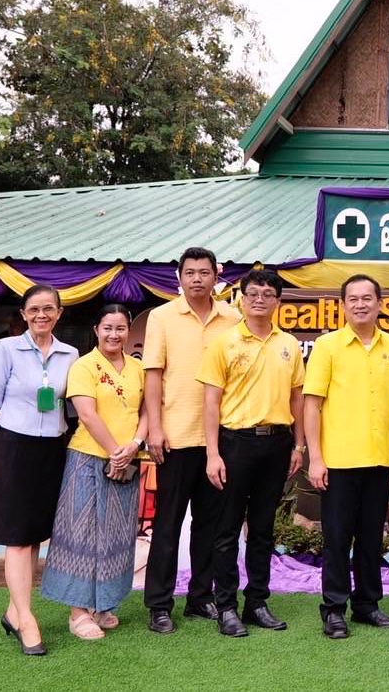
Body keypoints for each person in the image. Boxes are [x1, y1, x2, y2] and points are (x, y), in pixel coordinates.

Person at [140, 247, 243, 635]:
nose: (197, 279)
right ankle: (159, 604)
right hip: (175, 437)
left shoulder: (233, 319)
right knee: (167, 524)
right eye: (190, 272)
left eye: (204, 272)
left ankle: (201, 597)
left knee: (211, 526)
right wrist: (154, 428)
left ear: (217, 275)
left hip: (220, 441)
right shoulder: (162, 318)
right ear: (179, 277)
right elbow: (153, 375)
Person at [198, 270, 306, 637]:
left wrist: (299, 445)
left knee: (262, 529)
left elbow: (297, 399)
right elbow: (210, 403)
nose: (259, 299)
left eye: (268, 293)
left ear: (278, 301)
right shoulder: (223, 343)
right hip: (234, 443)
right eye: (253, 293)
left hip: (277, 443)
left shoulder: (288, 344)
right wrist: (212, 453)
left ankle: (257, 602)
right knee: (226, 529)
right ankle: (226, 606)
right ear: (242, 299)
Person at [304, 273, 389, 640]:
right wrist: (315, 458)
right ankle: (334, 609)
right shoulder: (327, 346)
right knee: (337, 538)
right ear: (343, 305)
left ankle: (367, 605)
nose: (361, 304)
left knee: (370, 537)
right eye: (354, 298)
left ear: (381, 304)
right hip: (337, 461)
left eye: (368, 298)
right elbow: (312, 405)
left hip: (380, 459)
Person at [0, 284, 80, 656]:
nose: (41, 315)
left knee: (35, 534)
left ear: (59, 313)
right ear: (23, 314)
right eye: (34, 309)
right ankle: (27, 619)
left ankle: (12, 610)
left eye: (48, 309)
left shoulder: (71, 354)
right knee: (17, 537)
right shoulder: (7, 349)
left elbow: (76, 406)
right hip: (13, 447)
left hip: (53, 449)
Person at [42, 305, 148, 641]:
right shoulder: (84, 366)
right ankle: (77, 611)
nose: (114, 335)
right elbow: (86, 415)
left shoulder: (138, 368)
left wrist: (133, 444)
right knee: (81, 534)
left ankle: (104, 604)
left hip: (129, 458)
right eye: (107, 328)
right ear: (96, 329)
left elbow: (148, 411)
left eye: (120, 328)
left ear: (128, 330)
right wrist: (116, 452)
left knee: (116, 533)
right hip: (87, 458)